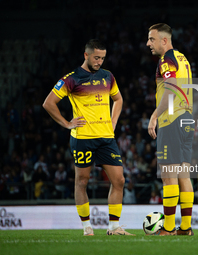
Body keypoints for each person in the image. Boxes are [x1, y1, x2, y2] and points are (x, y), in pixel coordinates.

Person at [42, 39, 134, 236]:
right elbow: (48, 103)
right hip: (82, 138)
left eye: (102, 58)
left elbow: (118, 99)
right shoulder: (71, 79)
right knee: (82, 182)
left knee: (119, 180)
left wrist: (113, 121)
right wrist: (66, 123)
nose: (99, 61)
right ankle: (87, 227)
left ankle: (114, 227)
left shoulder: (108, 76)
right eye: (96, 57)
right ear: (86, 55)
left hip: (106, 138)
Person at [147, 23, 195, 236]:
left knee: (168, 175)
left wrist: (155, 115)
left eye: (152, 39)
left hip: (172, 119)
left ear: (164, 40)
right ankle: (185, 228)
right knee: (184, 175)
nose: (148, 43)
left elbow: (171, 86)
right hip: (187, 118)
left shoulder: (166, 60)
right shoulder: (183, 58)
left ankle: (167, 228)